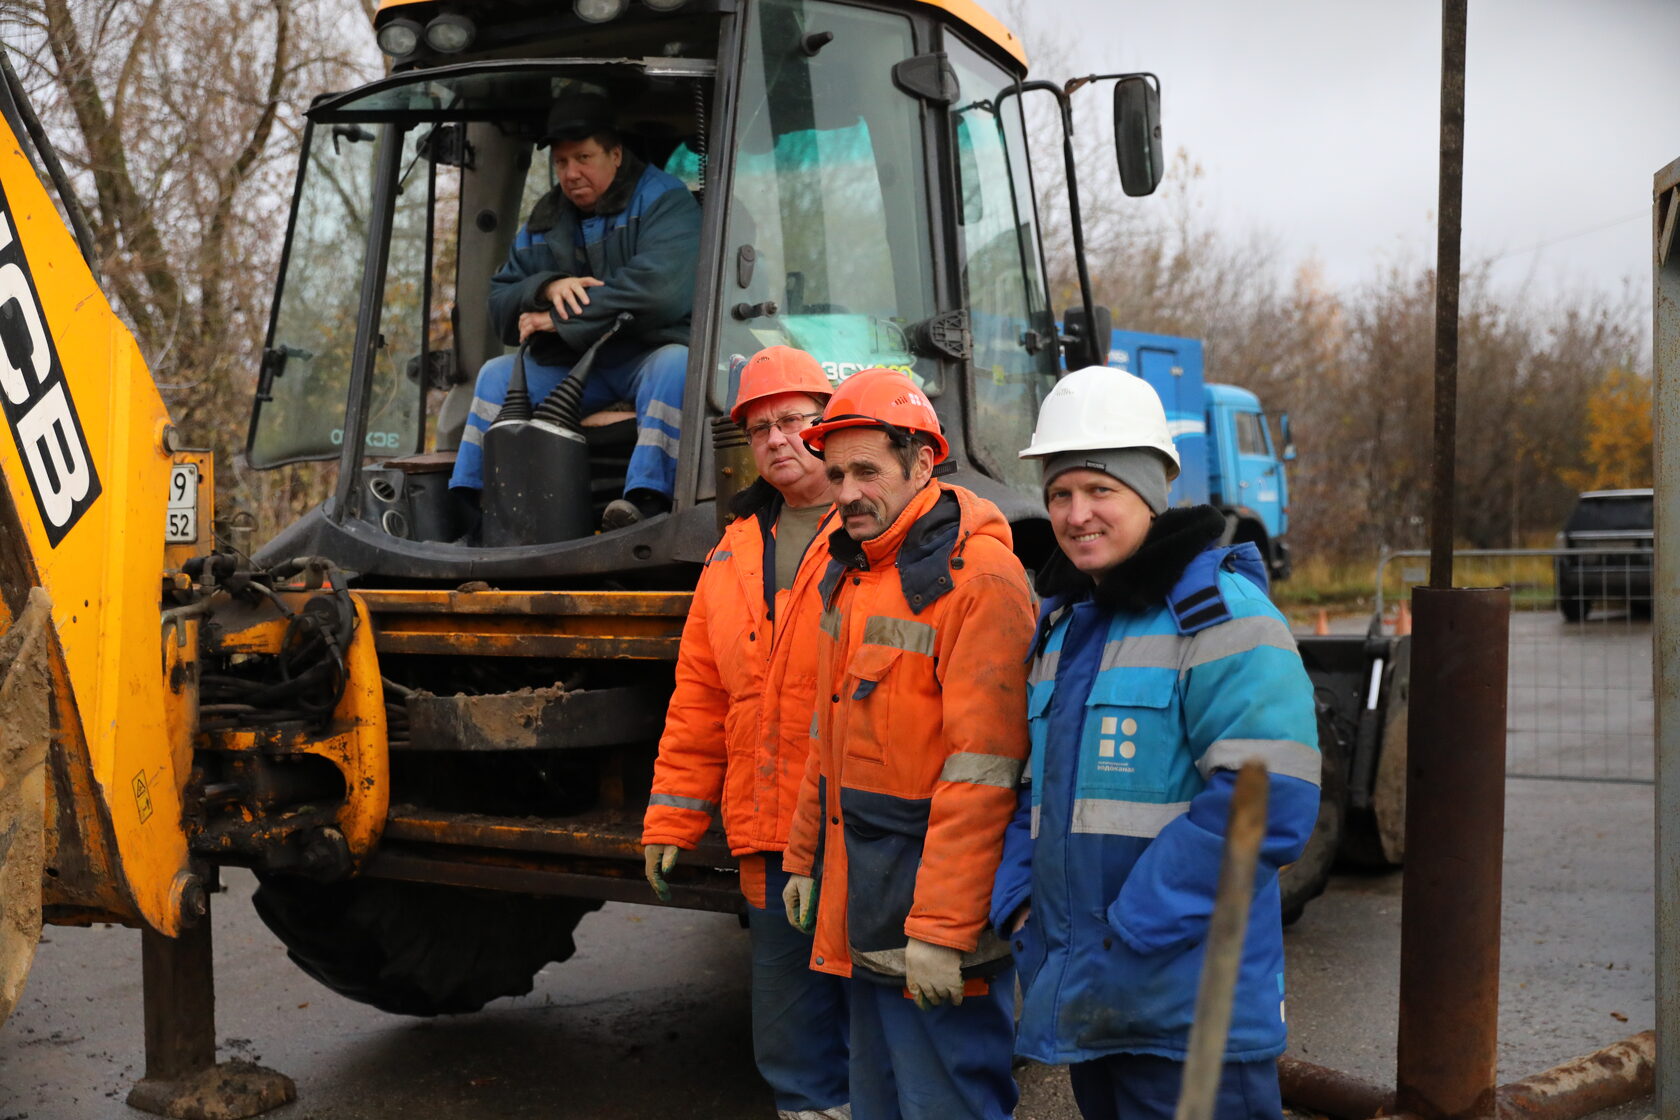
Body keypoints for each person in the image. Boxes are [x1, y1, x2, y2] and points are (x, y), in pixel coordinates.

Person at [990, 367, 1321, 1120]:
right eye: (1060, 493)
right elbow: (1035, 790)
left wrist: (1130, 928)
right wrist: (1018, 903)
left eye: (1100, 490)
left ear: (1150, 491)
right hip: (1091, 999)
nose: (1076, 514)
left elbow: (1266, 802)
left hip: (1189, 1012)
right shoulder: (1063, 626)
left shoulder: (1225, 618)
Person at [779, 368, 1034, 1120]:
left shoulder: (978, 580)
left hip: (931, 919)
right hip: (868, 905)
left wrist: (943, 931)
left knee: (945, 1105)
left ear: (923, 464)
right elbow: (829, 733)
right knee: (879, 1104)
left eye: (867, 471)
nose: (848, 492)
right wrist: (803, 857)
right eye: (836, 475)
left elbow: (986, 772)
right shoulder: (853, 571)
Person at [640, 346, 850, 1120]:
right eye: (759, 428)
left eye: (793, 420)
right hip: (768, 829)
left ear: (832, 426)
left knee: (876, 1013)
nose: (776, 439)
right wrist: (672, 817)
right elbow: (699, 696)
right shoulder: (731, 550)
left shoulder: (880, 529)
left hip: (858, 824)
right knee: (791, 1026)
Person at [449, 89, 702, 530]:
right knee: (495, 375)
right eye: (561, 162)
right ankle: (471, 510)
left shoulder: (665, 200)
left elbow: (658, 293)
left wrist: (559, 318)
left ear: (615, 155)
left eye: (583, 158)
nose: (571, 173)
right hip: (577, 365)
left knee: (677, 365)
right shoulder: (546, 219)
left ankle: (647, 504)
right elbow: (499, 303)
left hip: (646, 355)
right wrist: (546, 287)